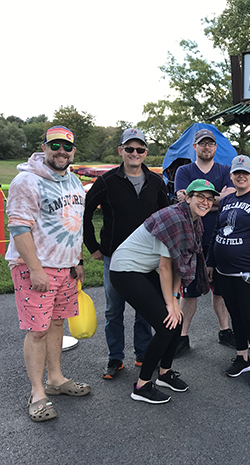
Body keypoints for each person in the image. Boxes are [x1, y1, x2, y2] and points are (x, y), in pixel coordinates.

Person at [6, 125, 90, 422]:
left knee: (56, 324)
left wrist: (77, 260)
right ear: (44, 147)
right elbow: (18, 228)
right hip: (37, 270)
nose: (61, 152)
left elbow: (75, 224)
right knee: (38, 330)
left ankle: (56, 379)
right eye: (54, 145)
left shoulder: (74, 182)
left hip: (66, 267)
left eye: (66, 147)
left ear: (73, 151)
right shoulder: (26, 181)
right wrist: (35, 269)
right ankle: (37, 393)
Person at [110, 179, 217, 404]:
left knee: (176, 320)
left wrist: (176, 299)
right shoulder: (175, 219)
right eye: (200, 197)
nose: (205, 202)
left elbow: (181, 261)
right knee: (166, 324)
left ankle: (164, 373)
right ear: (187, 197)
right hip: (125, 269)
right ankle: (141, 386)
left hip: (144, 269)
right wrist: (170, 305)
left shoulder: (194, 221)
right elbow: (166, 266)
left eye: (209, 198)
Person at [84, 128, 169, 380]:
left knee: (144, 309)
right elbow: (86, 213)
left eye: (139, 149)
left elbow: (167, 217)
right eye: (129, 149)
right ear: (121, 151)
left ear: (145, 153)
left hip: (146, 258)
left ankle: (143, 353)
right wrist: (93, 247)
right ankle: (115, 358)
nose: (134, 153)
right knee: (114, 310)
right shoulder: (107, 181)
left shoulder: (156, 182)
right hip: (114, 256)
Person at [207, 155, 250, 387]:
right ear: (232, 176)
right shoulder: (225, 201)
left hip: (248, 272)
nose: (241, 176)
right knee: (235, 315)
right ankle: (241, 357)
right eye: (237, 173)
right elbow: (217, 230)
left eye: (245, 173)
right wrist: (210, 262)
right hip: (225, 271)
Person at [174, 128, 237, 355]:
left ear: (215, 147)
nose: (206, 147)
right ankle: (182, 336)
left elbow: (229, 200)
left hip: (220, 239)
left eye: (210, 144)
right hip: (190, 240)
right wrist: (218, 197)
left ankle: (225, 330)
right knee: (188, 291)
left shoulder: (225, 170)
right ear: (195, 147)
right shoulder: (184, 170)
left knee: (220, 290)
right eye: (202, 144)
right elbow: (184, 201)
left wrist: (200, 199)